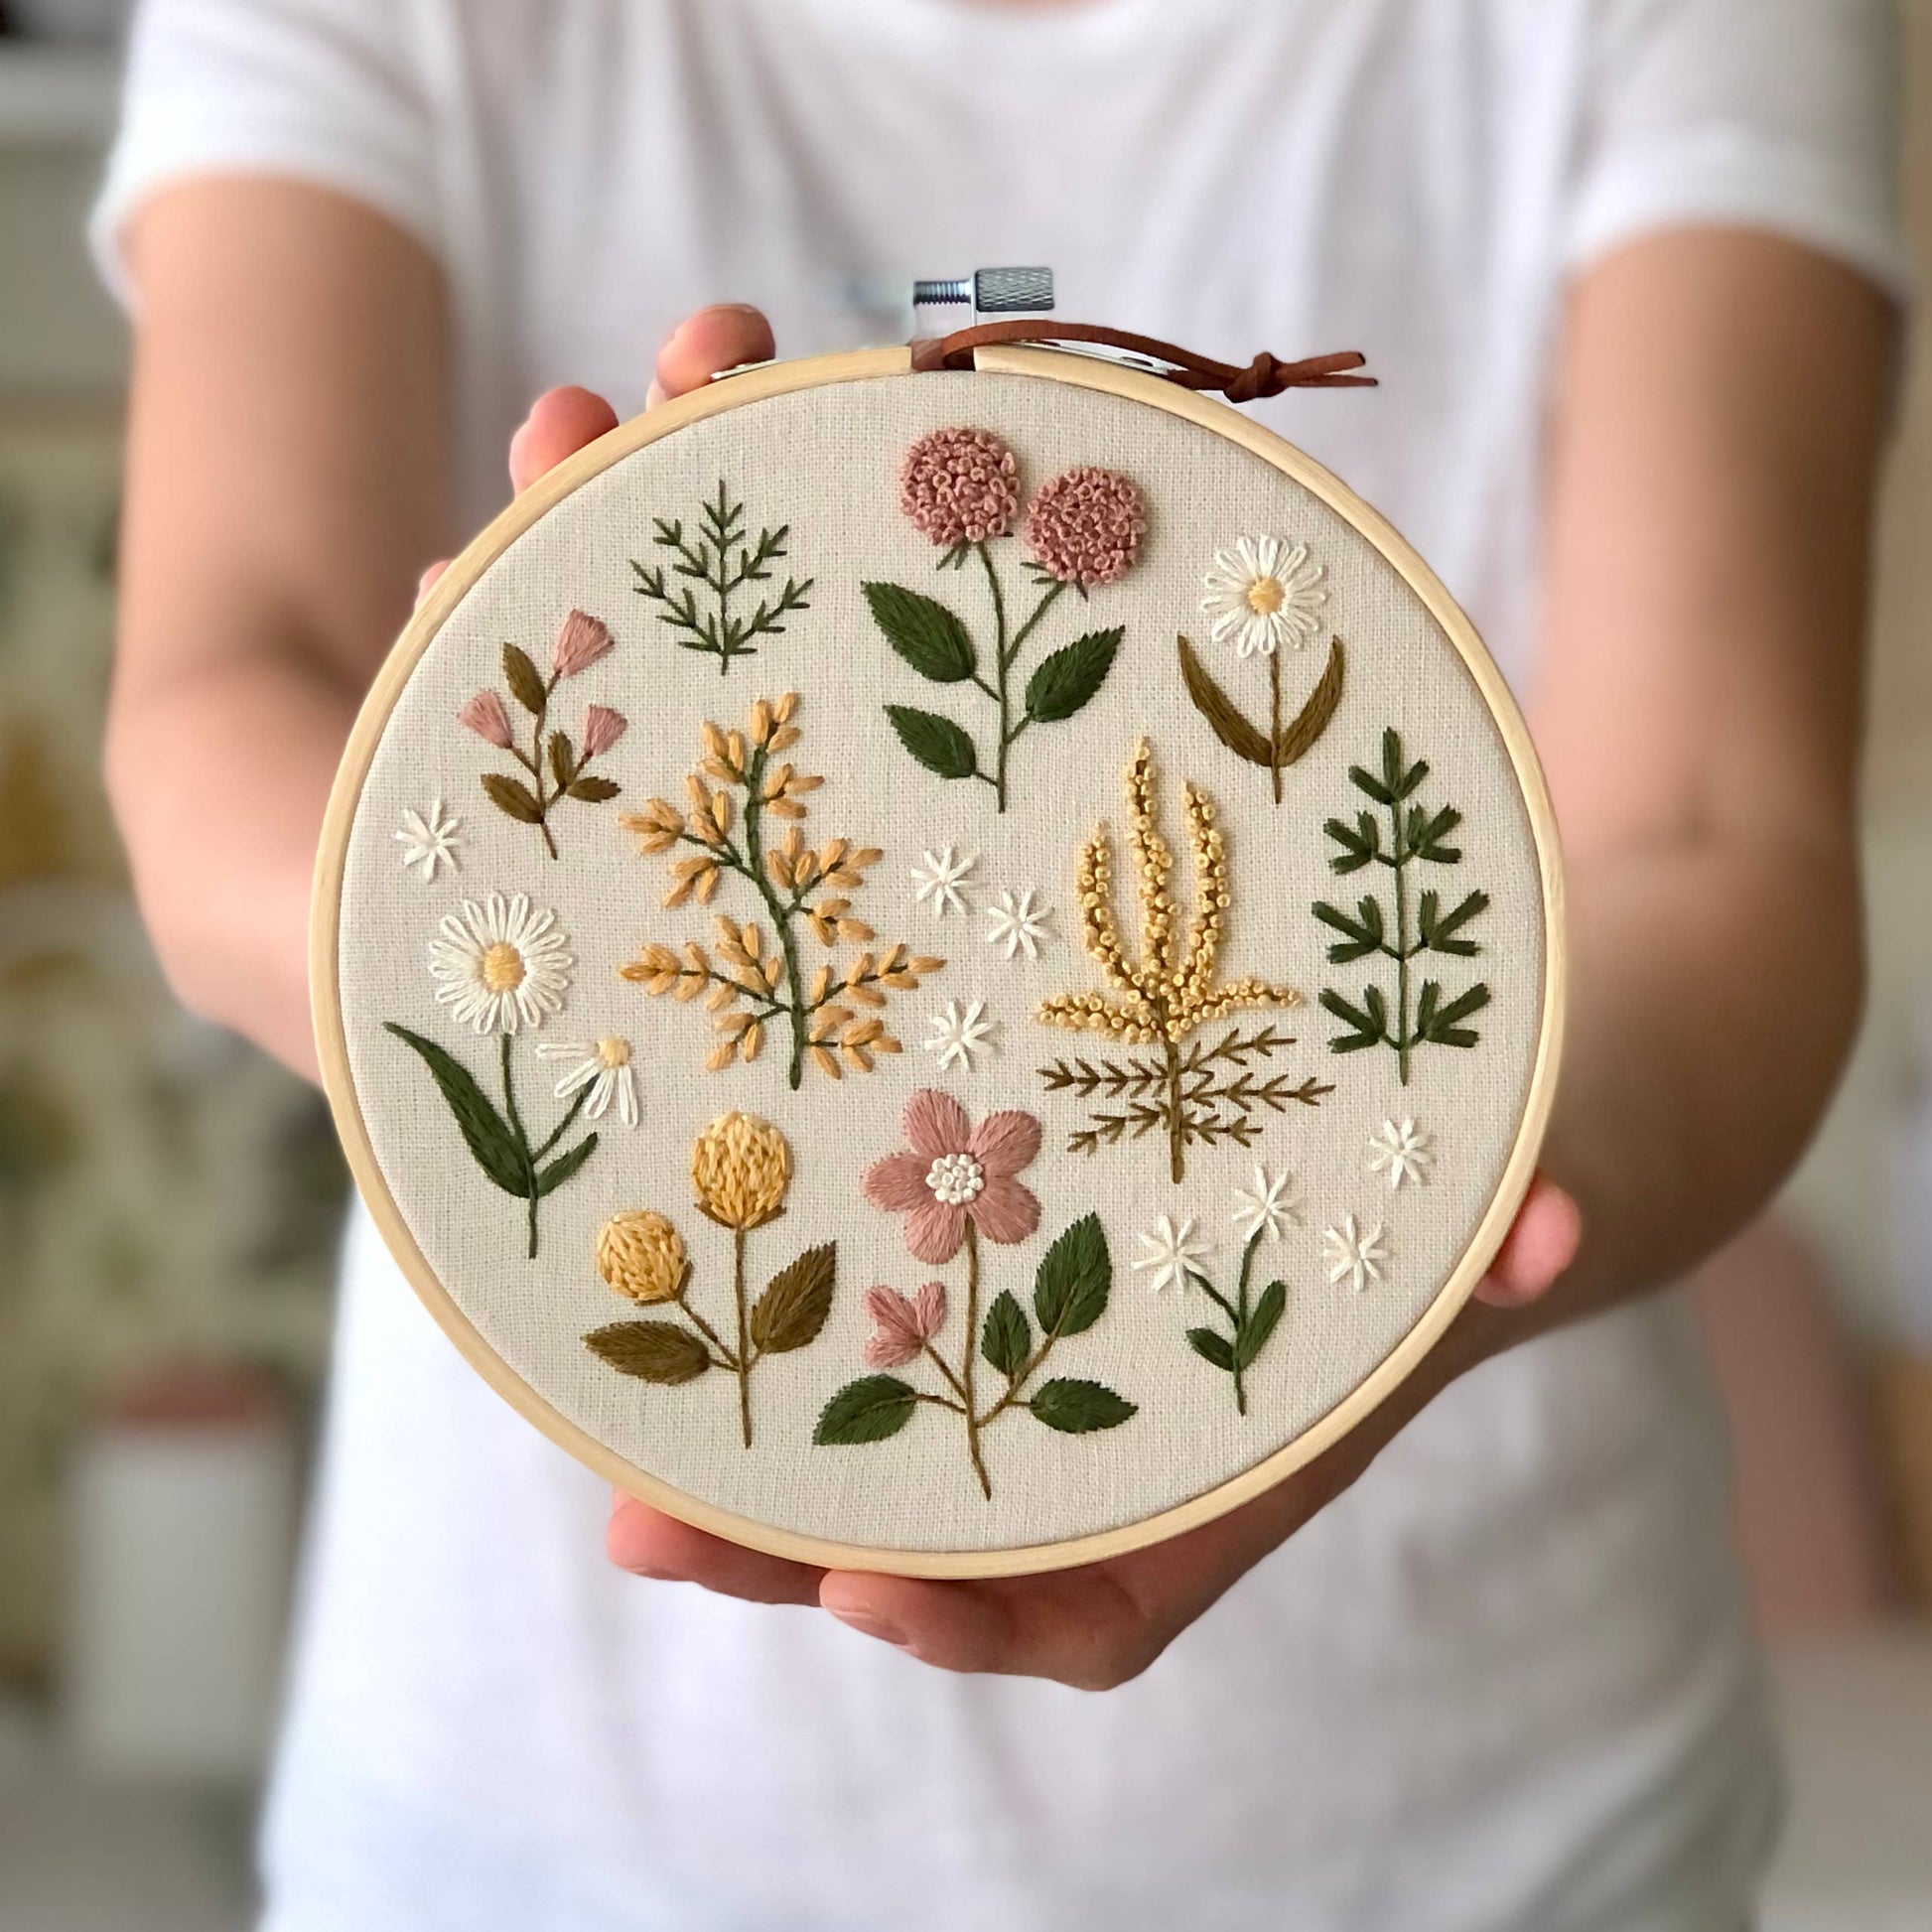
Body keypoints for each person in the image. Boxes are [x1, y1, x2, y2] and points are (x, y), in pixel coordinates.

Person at [94, 1, 1906, 1926]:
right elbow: (234, 693)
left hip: (1482, 1838)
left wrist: (1449, 1221)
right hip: (554, 1835)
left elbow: (1714, 833)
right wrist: (491, 889)